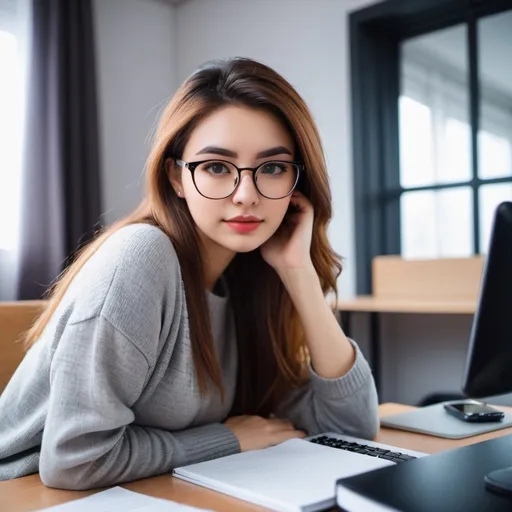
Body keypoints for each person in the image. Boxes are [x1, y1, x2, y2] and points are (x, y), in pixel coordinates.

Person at [0, 58, 379, 490]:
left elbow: (352, 427)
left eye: (272, 168)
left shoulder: (250, 280)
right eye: (217, 167)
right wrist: (227, 440)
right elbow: (73, 461)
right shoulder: (141, 257)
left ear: (297, 183)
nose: (246, 196)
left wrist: (300, 275)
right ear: (176, 177)